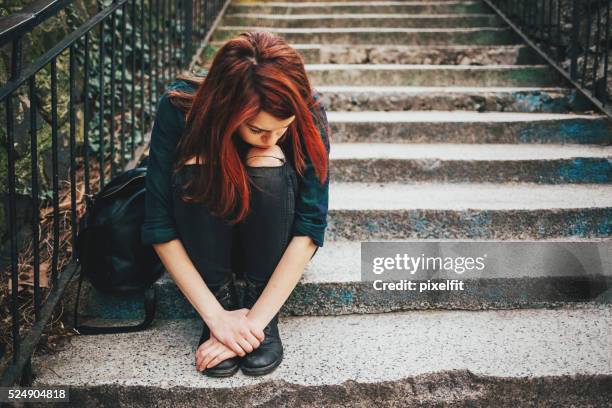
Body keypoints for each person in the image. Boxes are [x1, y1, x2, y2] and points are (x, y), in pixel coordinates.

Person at [141, 31, 330, 377]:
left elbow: (309, 227)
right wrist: (218, 319)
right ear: (228, 109)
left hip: (273, 246)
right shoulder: (179, 108)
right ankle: (224, 297)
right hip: (205, 243)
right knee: (199, 161)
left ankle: (257, 300)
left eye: (282, 128)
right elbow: (158, 224)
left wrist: (254, 324)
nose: (271, 137)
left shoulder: (309, 108)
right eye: (257, 128)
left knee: (266, 159)